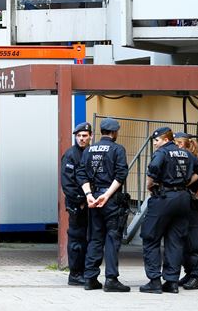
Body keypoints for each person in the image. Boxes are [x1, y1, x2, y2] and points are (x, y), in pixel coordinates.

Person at [139, 127, 196, 294]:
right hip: (183, 199)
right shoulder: (185, 153)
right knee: (175, 241)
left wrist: (150, 185)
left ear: (165, 140)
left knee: (150, 237)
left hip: (164, 198)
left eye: (156, 141)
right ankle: (171, 282)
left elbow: (153, 171)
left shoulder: (162, 153)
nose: (155, 144)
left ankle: (154, 281)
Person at [77, 118, 130, 293]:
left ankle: (90, 278)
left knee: (95, 238)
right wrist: (107, 196)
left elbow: (81, 173)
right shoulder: (117, 149)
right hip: (110, 198)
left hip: (94, 197)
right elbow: (121, 174)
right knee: (112, 238)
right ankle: (111, 279)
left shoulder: (89, 150)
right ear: (114, 133)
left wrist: (90, 196)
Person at [174, 132, 198, 291]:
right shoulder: (180, 160)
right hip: (180, 204)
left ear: (186, 144)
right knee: (181, 240)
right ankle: (189, 272)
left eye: (178, 143)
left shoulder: (194, 161)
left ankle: (197, 276)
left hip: (191, 205)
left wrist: (195, 197)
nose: (176, 146)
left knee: (194, 241)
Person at [61, 122, 93, 286]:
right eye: (79, 136)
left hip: (90, 203)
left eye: (85, 136)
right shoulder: (71, 155)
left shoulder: (90, 153)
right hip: (77, 204)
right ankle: (74, 274)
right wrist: (80, 201)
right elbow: (67, 184)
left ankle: (84, 272)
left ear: (90, 137)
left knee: (87, 239)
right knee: (76, 239)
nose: (81, 139)